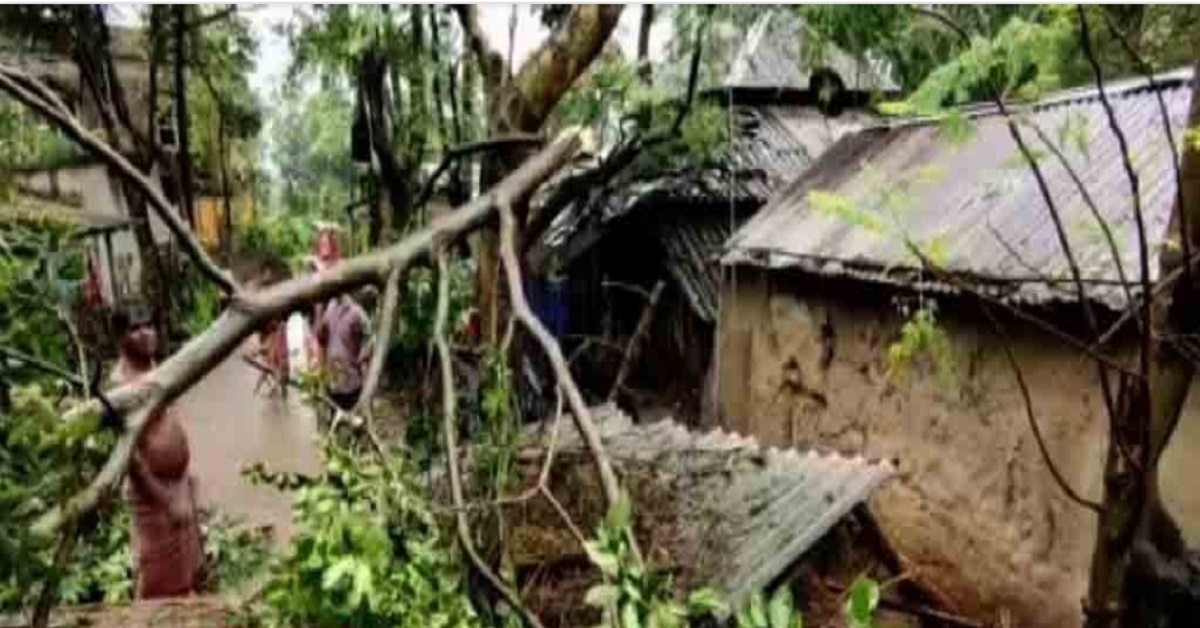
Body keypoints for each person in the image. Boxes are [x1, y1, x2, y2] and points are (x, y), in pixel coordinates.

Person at [112, 307, 205, 599]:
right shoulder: (121, 386)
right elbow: (131, 458)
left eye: (149, 325)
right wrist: (166, 501)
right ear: (120, 337)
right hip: (152, 497)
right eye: (136, 328)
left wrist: (188, 484)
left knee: (189, 574)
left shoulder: (156, 368)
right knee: (156, 582)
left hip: (178, 486)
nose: (146, 333)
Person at [316, 292, 371, 411]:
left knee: (351, 416)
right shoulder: (330, 308)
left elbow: (369, 336)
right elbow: (321, 338)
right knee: (334, 418)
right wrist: (319, 312)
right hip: (333, 383)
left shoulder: (356, 312)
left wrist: (363, 356)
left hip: (351, 383)